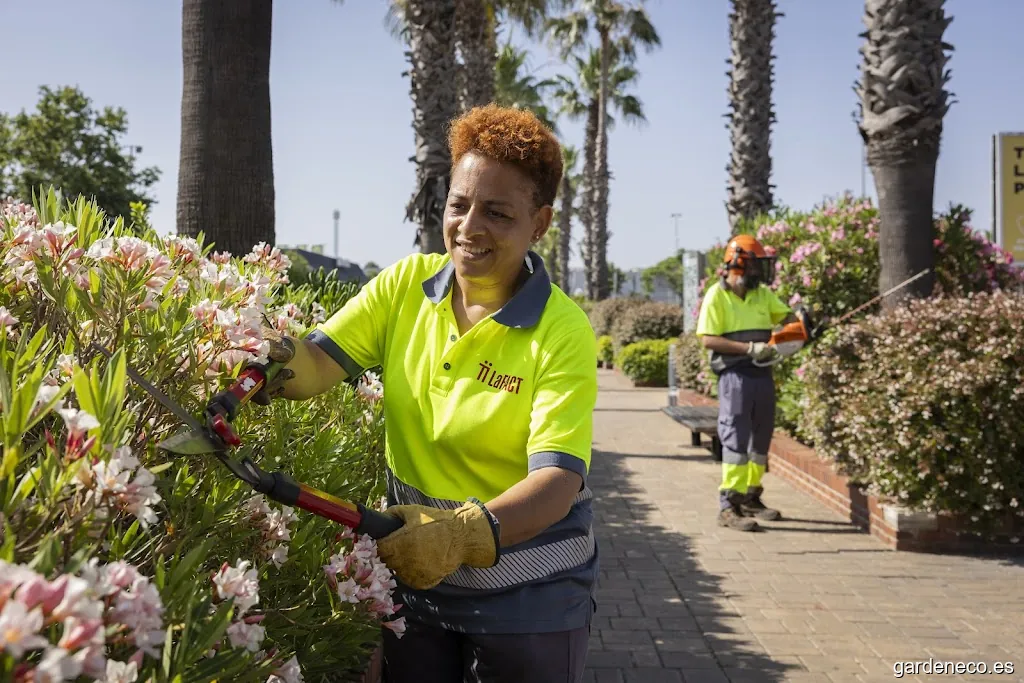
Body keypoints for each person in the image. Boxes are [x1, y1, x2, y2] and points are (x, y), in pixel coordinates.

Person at [248, 104, 599, 682]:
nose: (470, 227)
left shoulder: (561, 331)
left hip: (531, 595)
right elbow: (317, 363)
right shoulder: (404, 287)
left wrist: (462, 533)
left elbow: (557, 483)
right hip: (419, 581)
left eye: (497, 213)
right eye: (459, 205)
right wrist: (273, 358)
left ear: (539, 223)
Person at [695, 234, 798, 532]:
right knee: (736, 440)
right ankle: (729, 505)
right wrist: (748, 348)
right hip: (735, 376)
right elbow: (708, 339)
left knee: (759, 440)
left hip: (762, 375)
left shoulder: (762, 294)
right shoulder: (717, 295)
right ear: (738, 263)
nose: (759, 272)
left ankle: (751, 496)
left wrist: (795, 330)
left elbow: (788, 317)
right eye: (755, 265)